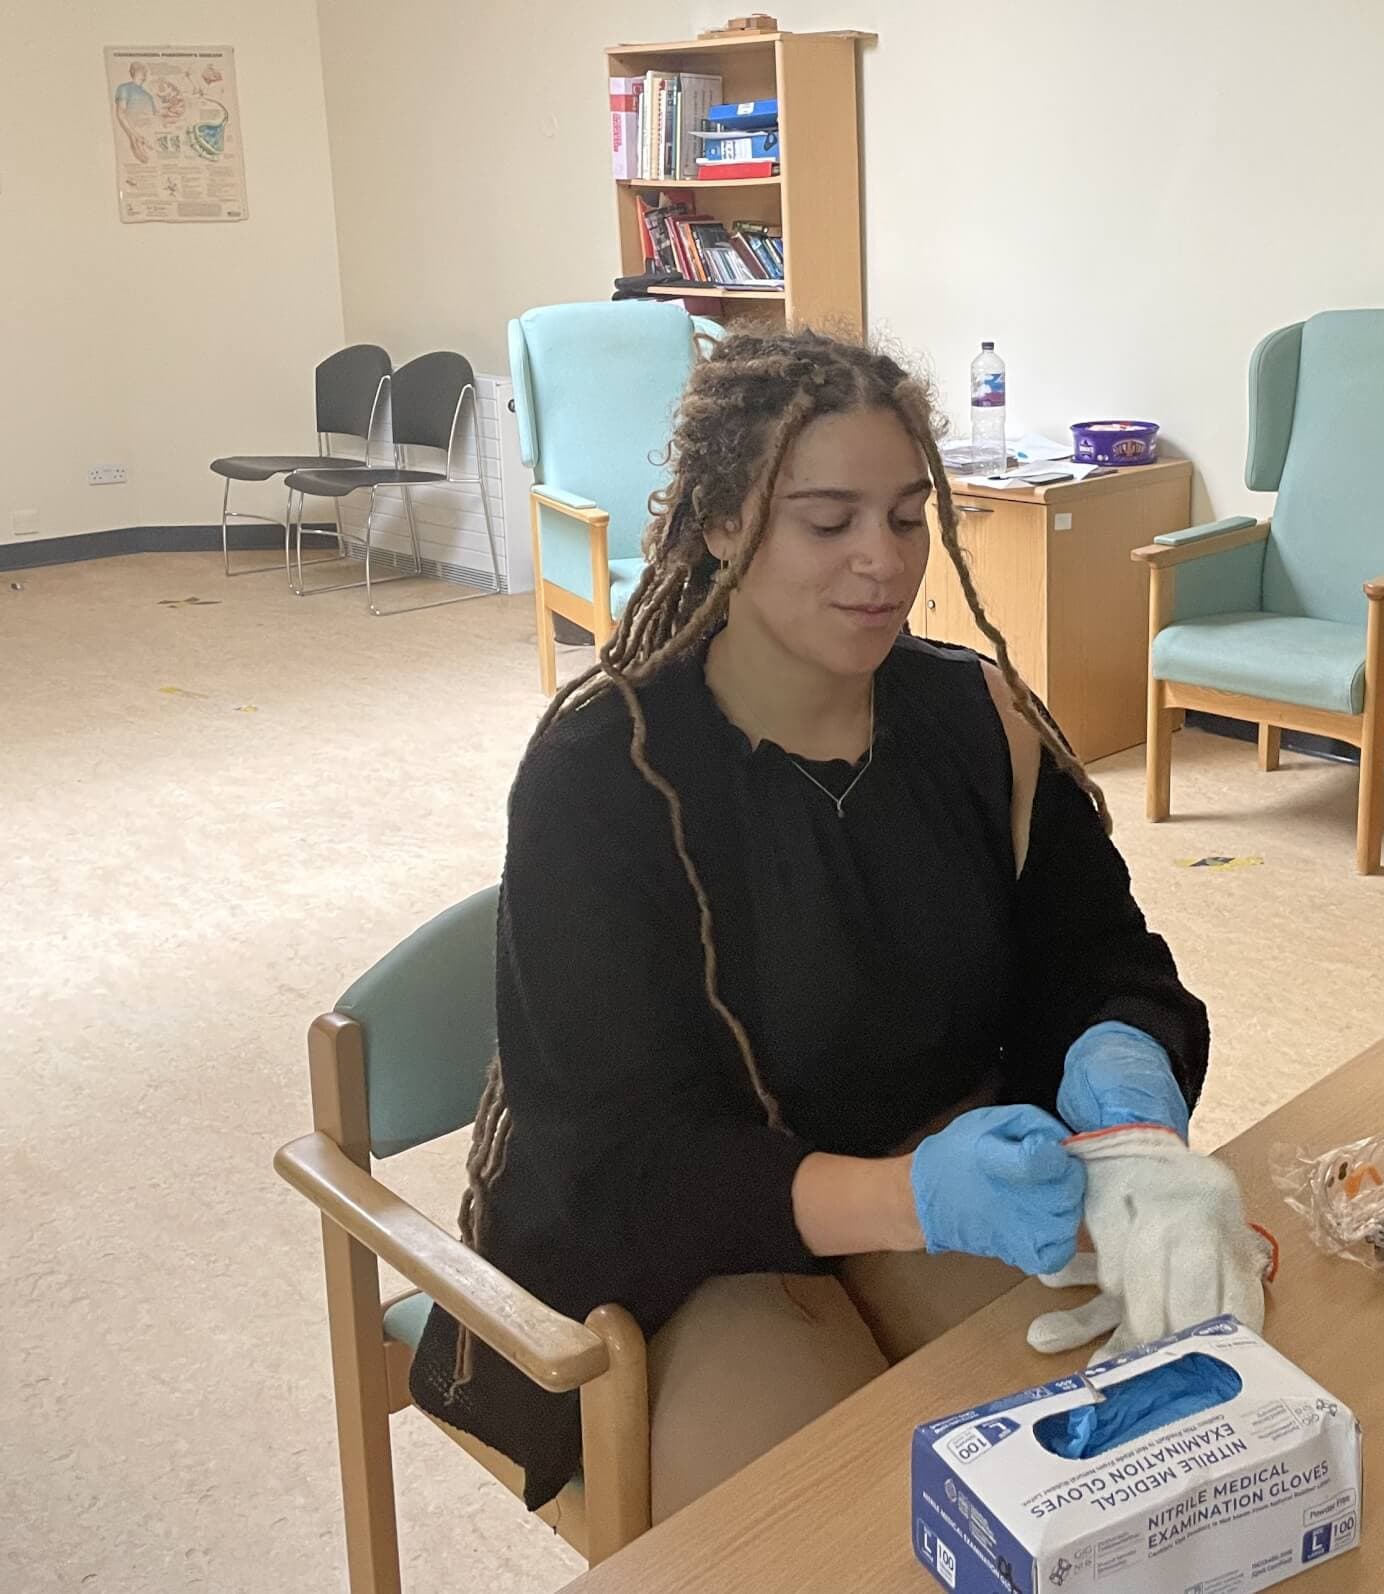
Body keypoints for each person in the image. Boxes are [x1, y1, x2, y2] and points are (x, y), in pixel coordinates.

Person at [408, 328, 1209, 1518]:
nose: (882, 562)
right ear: (721, 522)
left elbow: (1098, 955)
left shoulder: (976, 720)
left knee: (1107, 1463)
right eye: (827, 522)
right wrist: (907, 1199)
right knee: (843, 1524)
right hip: (676, 1251)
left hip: (919, 1157)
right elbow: (618, 1162)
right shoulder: (606, 776)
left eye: (906, 516)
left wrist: (1123, 1057)